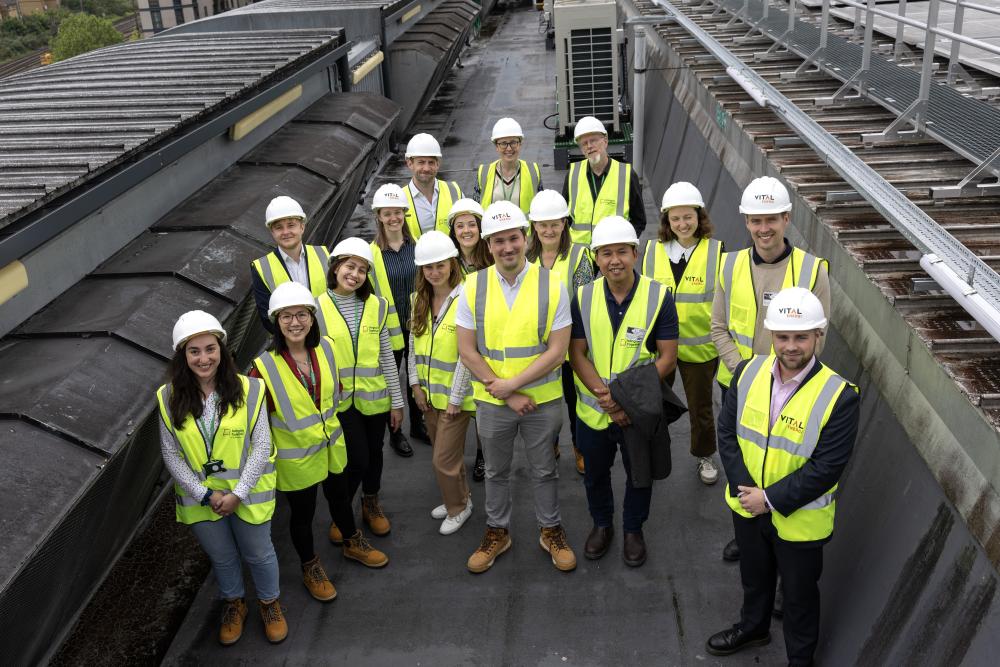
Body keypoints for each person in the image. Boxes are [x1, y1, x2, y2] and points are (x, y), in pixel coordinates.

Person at [707, 287, 859, 667]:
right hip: (748, 507)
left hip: (798, 522)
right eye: (783, 336)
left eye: (801, 337)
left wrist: (768, 499)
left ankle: (800, 658)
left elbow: (826, 468)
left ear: (817, 336)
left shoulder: (840, 396)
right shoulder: (747, 371)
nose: (791, 346)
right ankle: (753, 627)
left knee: (799, 595)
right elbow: (727, 434)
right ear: (771, 335)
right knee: (754, 578)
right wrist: (748, 494)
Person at [711, 176, 831, 562]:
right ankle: (747, 535)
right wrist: (745, 372)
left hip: (794, 393)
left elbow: (819, 336)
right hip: (740, 389)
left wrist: (784, 380)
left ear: (786, 218)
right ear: (746, 221)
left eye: (772, 219)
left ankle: (782, 550)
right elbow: (719, 328)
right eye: (756, 220)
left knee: (785, 465)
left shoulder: (813, 271)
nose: (764, 229)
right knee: (741, 464)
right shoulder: (728, 266)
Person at [456, 201, 576, 573]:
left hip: (540, 402)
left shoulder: (553, 284)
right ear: (488, 246)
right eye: (498, 241)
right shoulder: (472, 286)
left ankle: (550, 529)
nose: (507, 247)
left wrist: (512, 387)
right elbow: (467, 350)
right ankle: (497, 531)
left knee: (545, 470)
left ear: (525, 238)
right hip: (495, 401)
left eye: (513, 238)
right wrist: (506, 391)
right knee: (495, 471)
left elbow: (558, 352)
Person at [251, 282, 388, 603]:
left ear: (312, 318)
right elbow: (257, 421)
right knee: (303, 515)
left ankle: (352, 541)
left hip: (331, 447)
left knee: (340, 498)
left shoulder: (326, 348)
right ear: (275, 321)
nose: (295, 322)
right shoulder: (262, 368)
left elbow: (335, 392)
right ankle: (310, 565)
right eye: (286, 316)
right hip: (296, 458)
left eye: (301, 314)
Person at [156, 310, 286, 645]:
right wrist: (204, 494)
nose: (203, 358)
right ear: (182, 356)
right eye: (194, 351)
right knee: (223, 557)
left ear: (222, 350)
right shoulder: (168, 397)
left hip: (247, 494)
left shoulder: (252, 390)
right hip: (202, 500)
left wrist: (237, 493)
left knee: (259, 553)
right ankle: (235, 603)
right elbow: (171, 453)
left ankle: (270, 603)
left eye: (210, 349)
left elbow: (261, 446)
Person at [569, 216, 678, 567]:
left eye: (621, 252)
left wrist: (622, 398)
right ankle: (602, 525)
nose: (614, 260)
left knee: (639, 474)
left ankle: (633, 528)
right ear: (596, 258)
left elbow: (668, 357)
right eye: (605, 253)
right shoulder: (583, 297)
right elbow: (576, 353)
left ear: (635, 253)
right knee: (595, 474)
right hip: (594, 411)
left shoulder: (659, 296)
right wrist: (606, 395)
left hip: (636, 410)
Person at [316, 238, 404, 539]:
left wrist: (397, 401)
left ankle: (371, 503)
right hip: (340, 403)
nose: (355, 274)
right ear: (336, 267)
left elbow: (387, 357)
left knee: (375, 453)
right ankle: (342, 514)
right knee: (356, 459)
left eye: (362, 270)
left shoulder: (376, 306)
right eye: (349, 266)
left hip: (375, 397)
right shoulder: (316, 307)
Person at [640, 182, 723, 486]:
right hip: (660, 349)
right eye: (675, 219)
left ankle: (704, 455)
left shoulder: (716, 252)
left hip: (699, 351)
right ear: (667, 221)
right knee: (654, 404)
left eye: (688, 217)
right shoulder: (652, 252)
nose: (682, 224)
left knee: (701, 408)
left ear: (699, 218)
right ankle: (653, 452)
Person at [408, 231, 476, 535]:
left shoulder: (466, 298)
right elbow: (413, 345)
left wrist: (455, 398)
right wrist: (414, 386)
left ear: (452, 264)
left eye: (440, 265)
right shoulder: (418, 300)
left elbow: (466, 354)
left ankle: (457, 508)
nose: (434, 272)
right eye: (428, 267)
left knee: (442, 461)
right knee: (448, 457)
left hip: (454, 398)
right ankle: (461, 498)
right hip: (429, 396)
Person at [526, 189, 593, 475]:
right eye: (543, 224)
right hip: (538, 347)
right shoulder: (526, 257)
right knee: (545, 403)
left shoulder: (579, 255)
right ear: (534, 226)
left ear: (564, 223)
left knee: (575, 399)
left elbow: (582, 302)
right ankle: (550, 444)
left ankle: (580, 447)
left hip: (571, 346)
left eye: (555, 223)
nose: (549, 229)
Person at [367, 183, 426, 456]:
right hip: (388, 331)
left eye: (398, 212)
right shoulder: (371, 254)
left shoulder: (418, 246)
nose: (393, 218)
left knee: (416, 375)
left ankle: (418, 425)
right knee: (393, 380)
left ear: (404, 213)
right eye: (387, 213)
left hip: (417, 325)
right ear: (378, 216)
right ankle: (395, 432)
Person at [448, 198, 492, 481]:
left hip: (487, 337)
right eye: (460, 225)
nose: (466, 230)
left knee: (482, 402)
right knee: (459, 398)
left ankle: (483, 455)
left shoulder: (491, 258)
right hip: (456, 338)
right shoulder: (447, 261)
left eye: (471, 224)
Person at [561, 116, 646, 246]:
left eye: (593, 140)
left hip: (611, 255)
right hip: (580, 255)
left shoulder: (626, 174)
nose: (589, 146)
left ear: (605, 141)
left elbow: (639, 220)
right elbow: (564, 217)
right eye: (584, 143)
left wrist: (624, 245)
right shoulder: (573, 174)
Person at [251, 195, 330, 333]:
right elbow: (267, 317)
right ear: (272, 232)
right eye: (279, 228)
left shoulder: (325, 255)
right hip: (293, 345)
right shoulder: (261, 268)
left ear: (302, 227)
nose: (286, 232)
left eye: (291, 225)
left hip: (329, 338)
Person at [475, 117, 542, 215]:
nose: (509, 148)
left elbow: (541, 205)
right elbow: (476, 209)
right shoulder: (484, 172)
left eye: (513, 142)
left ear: (520, 144)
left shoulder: (533, 170)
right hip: (494, 230)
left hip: (523, 230)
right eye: (503, 143)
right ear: (496, 146)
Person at [402, 133, 463, 238]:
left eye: (431, 162)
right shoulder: (400, 198)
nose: (426, 168)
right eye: (421, 162)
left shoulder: (454, 191)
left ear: (438, 164)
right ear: (410, 163)